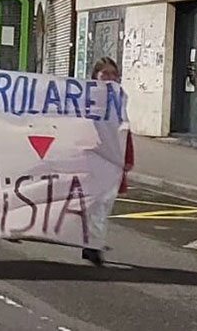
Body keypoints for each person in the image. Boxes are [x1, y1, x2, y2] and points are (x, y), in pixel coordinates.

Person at [81, 57, 134, 267]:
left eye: (114, 74)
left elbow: (124, 129)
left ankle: (92, 245)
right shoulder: (84, 97)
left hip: (109, 158)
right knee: (89, 202)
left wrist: (128, 157)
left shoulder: (119, 99)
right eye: (105, 74)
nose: (110, 78)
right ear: (96, 76)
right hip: (87, 156)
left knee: (102, 203)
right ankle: (89, 243)